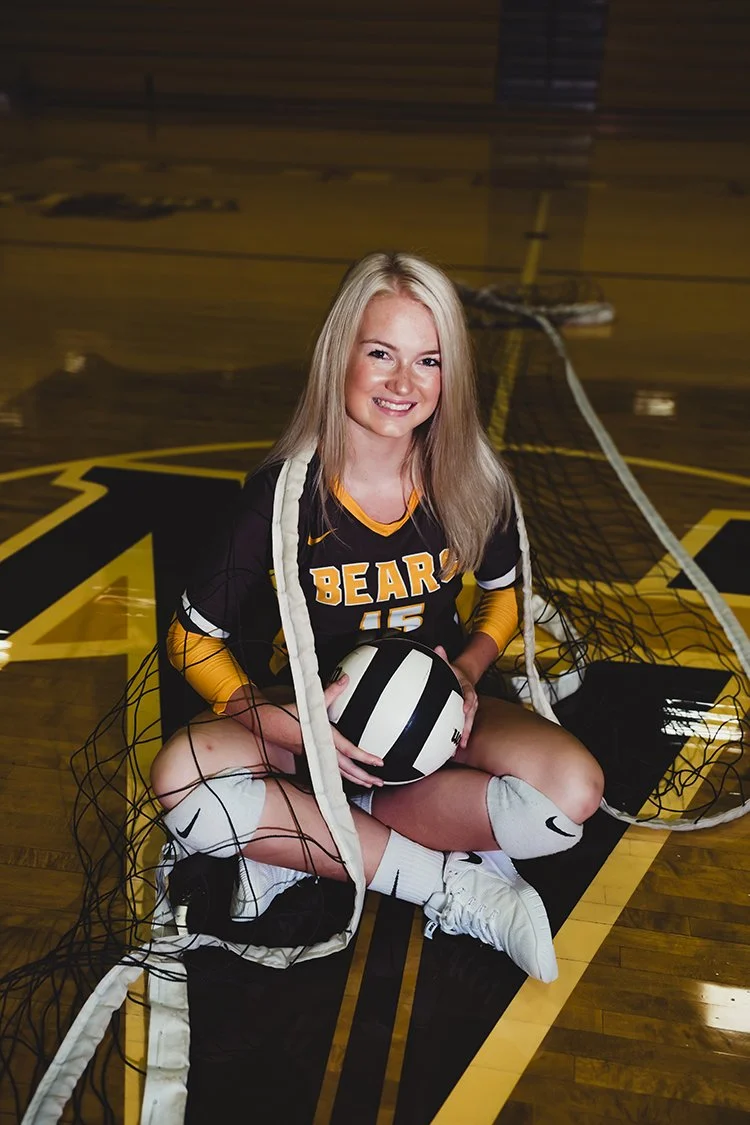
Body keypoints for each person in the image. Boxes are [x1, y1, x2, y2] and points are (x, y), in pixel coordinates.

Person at [150, 251, 604, 983]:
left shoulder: (472, 481)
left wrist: (467, 669)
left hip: (433, 734)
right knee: (183, 781)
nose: (403, 383)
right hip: (305, 729)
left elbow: (502, 594)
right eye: (381, 353)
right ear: (339, 357)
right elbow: (191, 637)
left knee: (568, 799)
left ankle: (300, 839)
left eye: (428, 360)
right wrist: (286, 724)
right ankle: (448, 885)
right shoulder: (283, 496)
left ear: (449, 374)